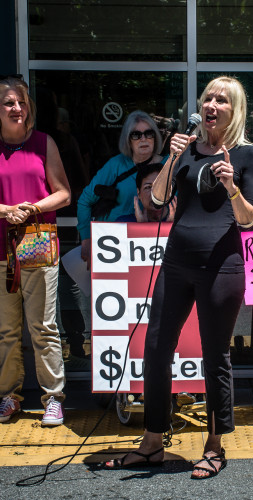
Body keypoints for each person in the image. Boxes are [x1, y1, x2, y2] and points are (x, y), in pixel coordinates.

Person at [103, 76, 253, 477]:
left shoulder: (247, 154)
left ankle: (214, 445)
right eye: (208, 97)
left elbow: (248, 220)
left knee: (215, 356)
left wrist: (230, 186)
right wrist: (173, 158)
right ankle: (152, 440)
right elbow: (157, 200)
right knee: (156, 346)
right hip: (176, 262)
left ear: (234, 109)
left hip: (221, 266)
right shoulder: (187, 148)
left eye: (221, 100)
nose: (211, 105)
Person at [0, 75, 71, 425]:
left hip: (37, 244)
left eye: (21, 102)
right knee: (7, 331)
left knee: (43, 326)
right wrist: (4, 211)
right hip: (1, 250)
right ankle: (9, 397)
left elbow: (63, 193)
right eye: (9, 103)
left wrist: (31, 207)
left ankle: (53, 398)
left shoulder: (43, 143)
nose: (17, 108)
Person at [77, 110, 167, 270]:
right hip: (113, 245)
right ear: (128, 140)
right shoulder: (116, 165)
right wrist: (86, 239)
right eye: (136, 135)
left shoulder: (168, 165)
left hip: (155, 245)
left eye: (148, 133)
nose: (143, 139)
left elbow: (178, 202)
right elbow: (84, 201)